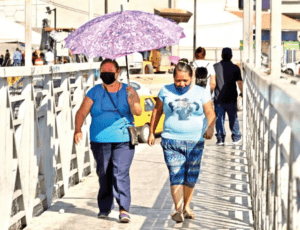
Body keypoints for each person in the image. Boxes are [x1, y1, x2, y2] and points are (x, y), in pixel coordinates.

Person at [74, 59, 142, 223]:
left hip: (123, 139)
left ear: (118, 73)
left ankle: (124, 209)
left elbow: (138, 112)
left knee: (120, 173)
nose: (106, 74)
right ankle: (104, 207)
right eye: (103, 71)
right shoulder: (95, 92)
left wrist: (132, 98)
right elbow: (81, 112)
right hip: (100, 139)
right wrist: (78, 129)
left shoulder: (128, 90)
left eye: (110, 71)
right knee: (104, 173)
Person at [148, 59, 216, 223]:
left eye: (185, 80)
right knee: (176, 174)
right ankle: (178, 209)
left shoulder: (201, 92)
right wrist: (151, 132)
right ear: (173, 78)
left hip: (195, 142)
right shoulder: (165, 90)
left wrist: (210, 128)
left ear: (192, 77)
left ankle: (186, 206)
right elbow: (157, 111)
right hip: (171, 141)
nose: (181, 83)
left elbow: (210, 112)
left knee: (190, 176)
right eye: (178, 80)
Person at [212, 47, 243, 146]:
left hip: (218, 99)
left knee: (219, 119)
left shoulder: (215, 67)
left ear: (221, 55)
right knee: (233, 118)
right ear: (231, 56)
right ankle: (236, 137)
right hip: (231, 98)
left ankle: (221, 139)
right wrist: (242, 94)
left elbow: (212, 83)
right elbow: (239, 83)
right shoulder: (235, 68)